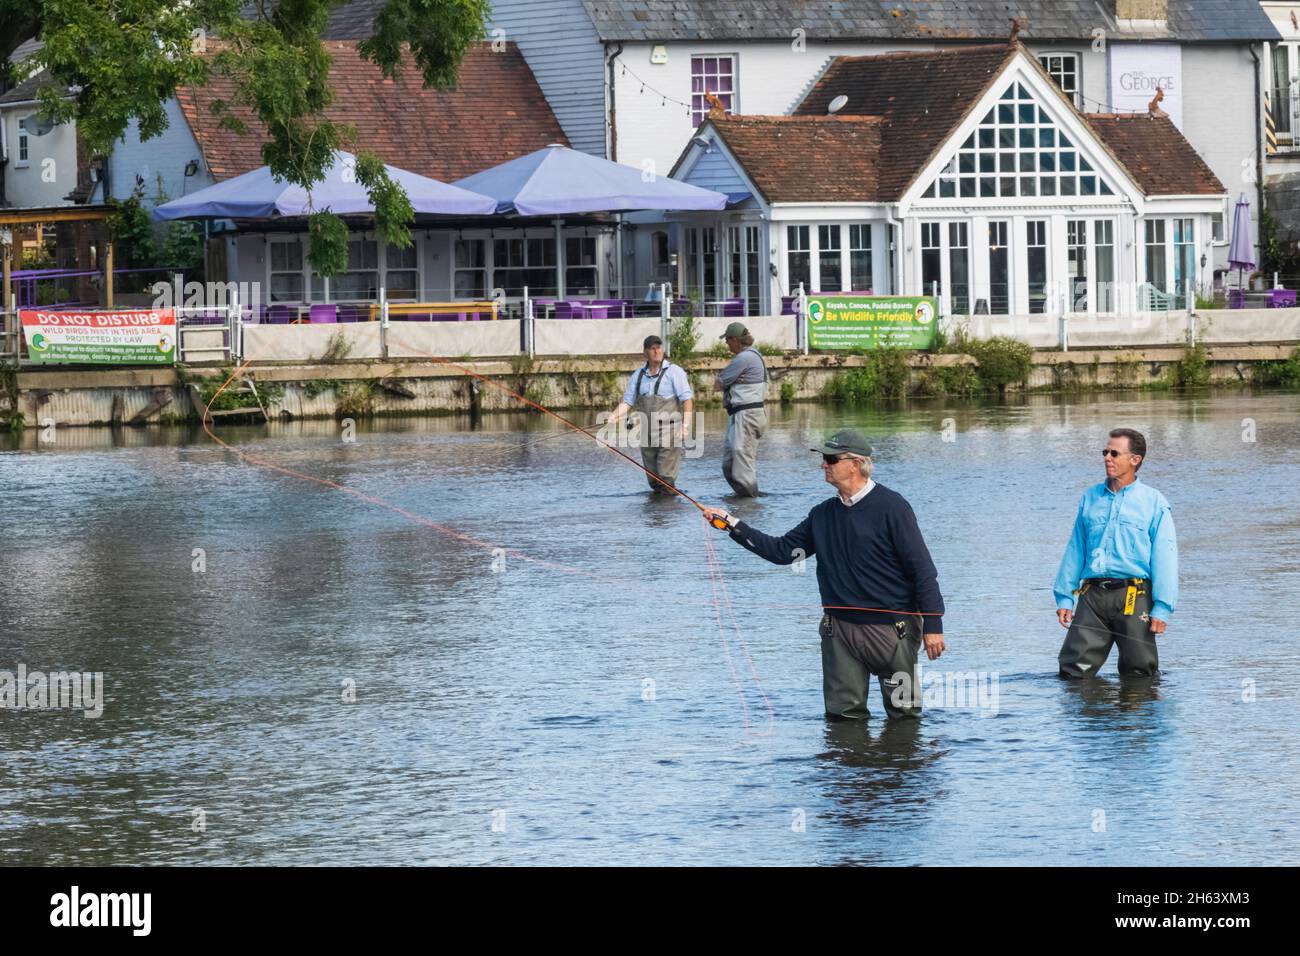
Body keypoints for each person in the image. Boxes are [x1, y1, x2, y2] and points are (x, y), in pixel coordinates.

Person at [703, 429, 946, 720]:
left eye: (830, 459)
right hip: (838, 633)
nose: (823, 465)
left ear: (855, 464)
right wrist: (732, 525)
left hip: (893, 631)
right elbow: (782, 551)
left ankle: (896, 763)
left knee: (905, 715)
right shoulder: (822, 514)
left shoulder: (893, 508)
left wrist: (933, 625)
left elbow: (923, 570)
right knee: (842, 719)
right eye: (823, 459)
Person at [1053, 427, 1178, 679]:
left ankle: (1134, 719)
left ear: (1135, 460)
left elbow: (1165, 558)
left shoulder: (1154, 502)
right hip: (1092, 596)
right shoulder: (1090, 498)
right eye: (1105, 452)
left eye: (1114, 453)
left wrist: (1162, 608)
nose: (1107, 458)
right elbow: (1076, 548)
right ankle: (1088, 719)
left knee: (1139, 672)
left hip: (1134, 596)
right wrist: (1065, 597)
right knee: (1072, 672)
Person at [608, 335, 693, 493]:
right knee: (654, 480)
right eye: (652, 348)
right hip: (646, 432)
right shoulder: (638, 375)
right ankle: (656, 513)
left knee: (665, 478)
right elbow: (627, 402)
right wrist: (614, 416)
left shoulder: (674, 372)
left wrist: (685, 426)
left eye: (659, 347)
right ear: (645, 353)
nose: (656, 351)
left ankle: (666, 512)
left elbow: (687, 400)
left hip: (670, 431)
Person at [713, 322, 767, 497]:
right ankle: (742, 500)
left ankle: (750, 507)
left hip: (747, 415)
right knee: (728, 465)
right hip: (738, 415)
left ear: (735, 340)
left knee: (742, 467)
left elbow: (718, 384)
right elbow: (722, 382)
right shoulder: (749, 357)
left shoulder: (744, 358)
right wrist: (734, 380)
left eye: (727, 340)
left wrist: (728, 380)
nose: (726, 344)